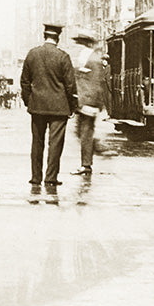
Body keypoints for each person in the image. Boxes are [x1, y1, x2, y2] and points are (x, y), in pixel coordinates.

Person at [20, 22, 78, 190]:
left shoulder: (32, 54)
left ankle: (35, 177)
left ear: (44, 36)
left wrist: (28, 101)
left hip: (37, 106)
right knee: (55, 144)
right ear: (58, 37)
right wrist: (72, 106)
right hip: (59, 108)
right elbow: (70, 85)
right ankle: (51, 178)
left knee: (37, 143)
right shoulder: (63, 57)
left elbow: (24, 81)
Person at [70, 32, 110, 177]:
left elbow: (91, 82)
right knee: (82, 132)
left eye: (80, 42)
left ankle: (86, 164)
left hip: (87, 101)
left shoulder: (90, 57)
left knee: (85, 132)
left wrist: (85, 102)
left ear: (85, 43)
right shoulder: (90, 57)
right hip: (86, 101)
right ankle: (93, 153)